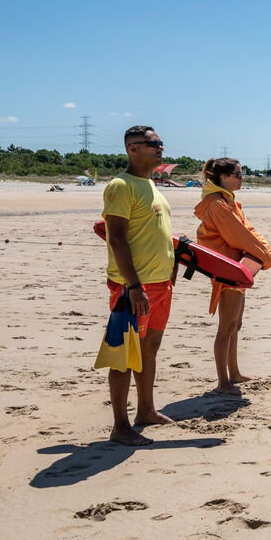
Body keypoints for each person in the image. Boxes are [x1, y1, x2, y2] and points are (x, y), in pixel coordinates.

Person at [101, 126, 176, 446]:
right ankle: (120, 426)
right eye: (153, 144)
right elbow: (116, 238)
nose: (160, 148)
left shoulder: (151, 185)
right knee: (125, 355)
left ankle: (145, 410)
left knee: (149, 349)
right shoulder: (121, 185)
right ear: (133, 149)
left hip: (160, 285)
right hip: (133, 288)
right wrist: (133, 286)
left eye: (160, 143)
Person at [195, 158, 271, 395]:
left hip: (238, 267)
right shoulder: (217, 203)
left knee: (235, 324)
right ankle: (223, 382)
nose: (242, 178)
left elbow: (249, 231)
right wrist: (266, 256)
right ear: (223, 177)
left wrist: (264, 251)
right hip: (226, 269)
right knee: (226, 326)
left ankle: (235, 373)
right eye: (238, 174)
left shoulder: (229, 202)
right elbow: (237, 236)